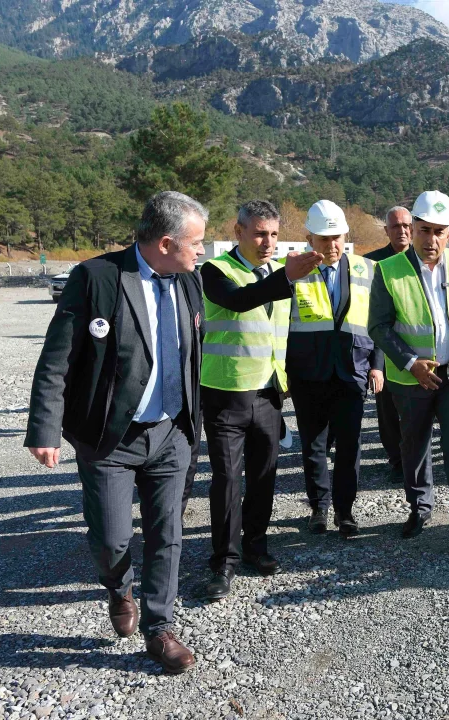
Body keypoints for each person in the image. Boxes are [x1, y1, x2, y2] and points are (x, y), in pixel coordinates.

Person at [25, 191, 209, 674]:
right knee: (111, 540)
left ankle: (160, 628)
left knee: (167, 533)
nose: (202, 251)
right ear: (166, 243)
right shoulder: (98, 277)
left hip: (171, 432)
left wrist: (195, 422)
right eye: (196, 242)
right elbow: (57, 358)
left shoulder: (190, 281)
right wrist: (45, 427)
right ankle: (119, 587)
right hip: (109, 439)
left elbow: (194, 354)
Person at [199, 200, 323, 600]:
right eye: (258, 234)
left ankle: (255, 544)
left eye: (273, 234)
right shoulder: (215, 270)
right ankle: (224, 561)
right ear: (238, 232)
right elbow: (239, 301)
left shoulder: (275, 273)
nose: (267, 242)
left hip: (268, 393)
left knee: (264, 475)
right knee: (227, 479)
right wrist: (286, 275)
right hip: (225, 392)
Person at [368, 190, 449, 546]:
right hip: (412, 380)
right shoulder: (388, 270)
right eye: (424, 230)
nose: (431, 239)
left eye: (439, 231)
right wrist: (411, 363)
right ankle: (420, 509)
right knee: (415, 447)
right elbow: (378, 326)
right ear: (413, 228)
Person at [291, 200, 383, 537]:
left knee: (349, 446)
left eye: (337, 238)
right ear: (309, 239)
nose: (331, 245)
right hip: (308, 373)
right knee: (314, 446)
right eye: (324, 239)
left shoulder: (367, 269)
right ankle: (319, 508)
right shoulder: (293, 272)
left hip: (352, 371)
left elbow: (378, 322)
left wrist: (377, 365)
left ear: (345, 236)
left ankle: (345, 512)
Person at [366, 207, 413, 484]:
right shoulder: (371, 263)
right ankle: (396, 460)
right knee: (387, 410)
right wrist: (374, 362)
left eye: (406, 225)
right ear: (386, 231)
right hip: (383, 349)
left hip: (418, 347)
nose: (402, 231)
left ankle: (415, 457)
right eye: (396, 226)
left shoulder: (422, 260)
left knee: (417, 409)